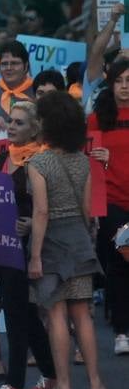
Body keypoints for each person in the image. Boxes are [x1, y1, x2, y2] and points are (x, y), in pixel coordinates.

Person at [27, 92, 111, 389]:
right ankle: (96, 383)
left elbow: (41, 212)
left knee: (56, 313)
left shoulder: (38, 162)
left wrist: (35, 255)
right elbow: (88, 210)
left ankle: (62, 386)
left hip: (51, 243)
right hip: (79, 239)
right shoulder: (83, 161)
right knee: (83, 315)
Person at [0, 101, 57, 389]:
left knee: (17, 312)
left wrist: (32, 225)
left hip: (27, 247)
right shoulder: (2, 153)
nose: (12, 127)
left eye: (19, 123)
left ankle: (14, 384)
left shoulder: (41, 160)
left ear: (34, 128)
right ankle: (51, 372)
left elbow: (54, 202)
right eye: (10, 121)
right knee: (23, 312)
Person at [88, 56, 129, 356]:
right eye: (119, 81)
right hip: (113, 201)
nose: (125, 87)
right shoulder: (97, 118)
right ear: (110, 83)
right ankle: (121, 331)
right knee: (118, 265)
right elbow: (87, 165)